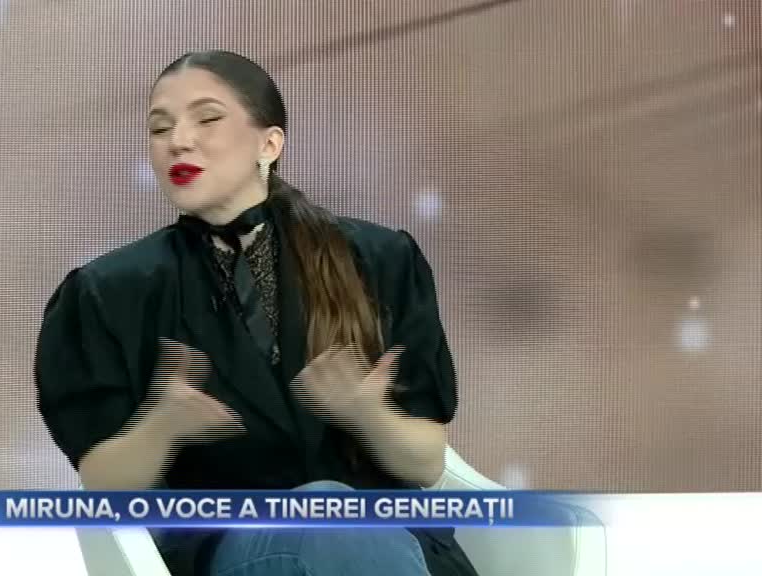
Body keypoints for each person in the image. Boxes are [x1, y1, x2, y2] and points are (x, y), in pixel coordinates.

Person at [35, 50, 479, 576]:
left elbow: (425, 464)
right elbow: (104, 486)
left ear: (269, 144)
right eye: (160, 128)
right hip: (219, 550)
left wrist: (366, 414)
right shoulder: (108, 292)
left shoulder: (379, 259)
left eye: (207, 118)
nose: (178, 141)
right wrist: (161, 427)